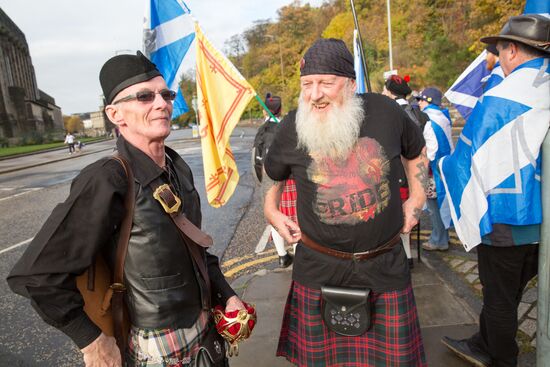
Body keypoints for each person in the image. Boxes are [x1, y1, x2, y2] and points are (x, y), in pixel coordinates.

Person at [7, 51, 245, 367]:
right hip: (158, 355)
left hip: (209, 344)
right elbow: (35, 275)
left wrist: (227, 295)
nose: (161, 103)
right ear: (116, 115)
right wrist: (91, 341)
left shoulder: (178, 167)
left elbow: (197, 253)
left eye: (166, 94)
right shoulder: (108, 178)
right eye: (145, 97)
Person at [263, 38, 428, 366]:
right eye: (307, 84)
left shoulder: (387, 112)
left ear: (351, 84)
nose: (315, 94)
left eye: (326, 83)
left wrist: (418, 197)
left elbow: (415, 154)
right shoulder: (292, 126)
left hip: (385, 265)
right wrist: (270, 209)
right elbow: (273, 172)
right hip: (318, 267)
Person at [440, 15, 550, 367]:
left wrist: (442, 166)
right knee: (512, 292)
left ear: (513, 50)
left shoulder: (501, 97)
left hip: (505, 217)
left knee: (499, 297)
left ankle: (502, 358)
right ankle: (482, 341)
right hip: (541, 215)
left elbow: (468, 161)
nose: (499, 60)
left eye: (501, 52)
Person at [382, 74, 428, 268]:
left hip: (397, 174)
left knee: (398, 218)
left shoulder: (388, 113)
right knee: (408, 215)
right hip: (416, 174)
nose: (383, 93)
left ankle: (404, 259)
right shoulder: (419, 113)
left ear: (391, 92)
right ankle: (407, 257)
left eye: (385, 89)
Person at [253, 93, 295, 268]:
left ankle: (282, 256)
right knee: (295, 218)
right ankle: (297, 255)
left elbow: (256, 158)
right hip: (291, 180)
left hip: (270, 181)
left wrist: (261, 181)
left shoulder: (261, 132)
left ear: (265, 110)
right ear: (281, 109)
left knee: (275, 217)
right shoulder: (289, 126)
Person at [416, 87, 454, 251]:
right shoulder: (443, 116)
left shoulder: (429, 119)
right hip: (446, 167)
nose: (419, 103)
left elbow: (432, 150)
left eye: (421, 100)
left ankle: (438, 240)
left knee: (434, 208)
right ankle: (443, 237)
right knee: (441, 205)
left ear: (428, 101)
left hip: (434, 172)